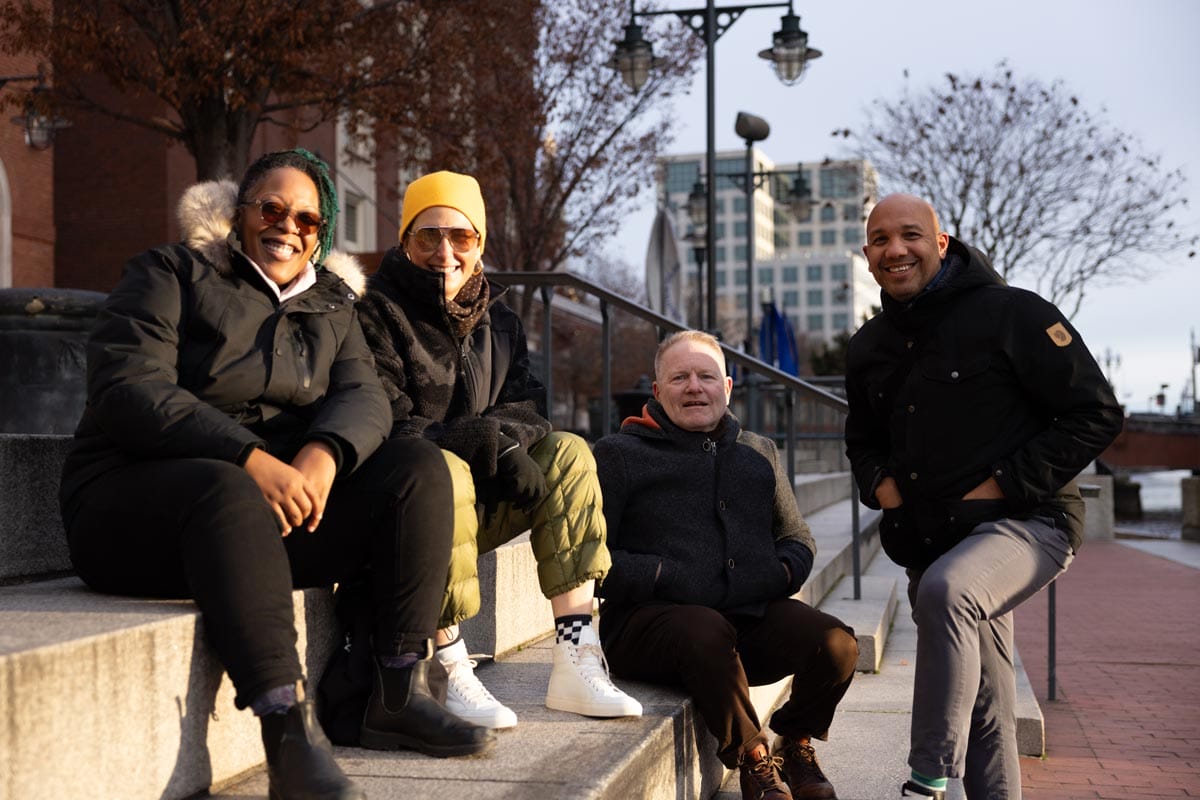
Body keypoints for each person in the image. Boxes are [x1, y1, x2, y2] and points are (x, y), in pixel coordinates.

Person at [59, 149, 494, 800]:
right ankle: (286, 729)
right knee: (227, 486)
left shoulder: (330, 307)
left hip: (262, 521)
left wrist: (323, 455)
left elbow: (366, 397)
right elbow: (129, 387)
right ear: (238, 214)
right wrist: (250, 456)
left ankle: (390, 691)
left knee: (416, 467)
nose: (289, 225)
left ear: (321, 235)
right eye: (272, 208)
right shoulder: (169, 273)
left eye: (308, 219)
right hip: (132, 508)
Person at [844, 194, 1124, 799]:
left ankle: (926, 779)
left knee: (949, 592)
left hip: (1031, 523)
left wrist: (1002, 485)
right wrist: (882, 488)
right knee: (988, 706)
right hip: (930, 537)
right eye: (880, 240)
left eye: (911, 235)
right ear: (867, 256)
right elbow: (861, 442)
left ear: (941, 244)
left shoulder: (1013, 313)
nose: (896, 250)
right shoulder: (868, 346)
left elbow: (1095, 415)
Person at [357, 170, 642, 730]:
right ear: (404, 243)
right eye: (427, 235)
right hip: (405, 506)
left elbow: (530, 404)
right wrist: (490, 443)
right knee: (442, 470)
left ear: (480, 245)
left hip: (480, 496)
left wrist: (510, 442)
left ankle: (575, 657)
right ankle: (449, 663)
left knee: (568, 452)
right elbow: (389, 419)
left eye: (460, 238)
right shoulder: (375, 313)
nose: (445, 252)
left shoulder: (499, 319)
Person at [592, 330, 858, 800]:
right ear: (657, 391)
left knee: (836, 644)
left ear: (727, 388)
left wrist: (775, 576)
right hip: (647, 629)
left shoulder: (759, 452)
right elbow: (594, 559)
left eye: (706, 376)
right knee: (702, 628)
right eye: (679, 377)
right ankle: (755, 761)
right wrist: (665, 575)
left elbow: (797, 538)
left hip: (746, 619)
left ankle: (794, 744)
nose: (694, 386)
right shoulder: (618, 455)